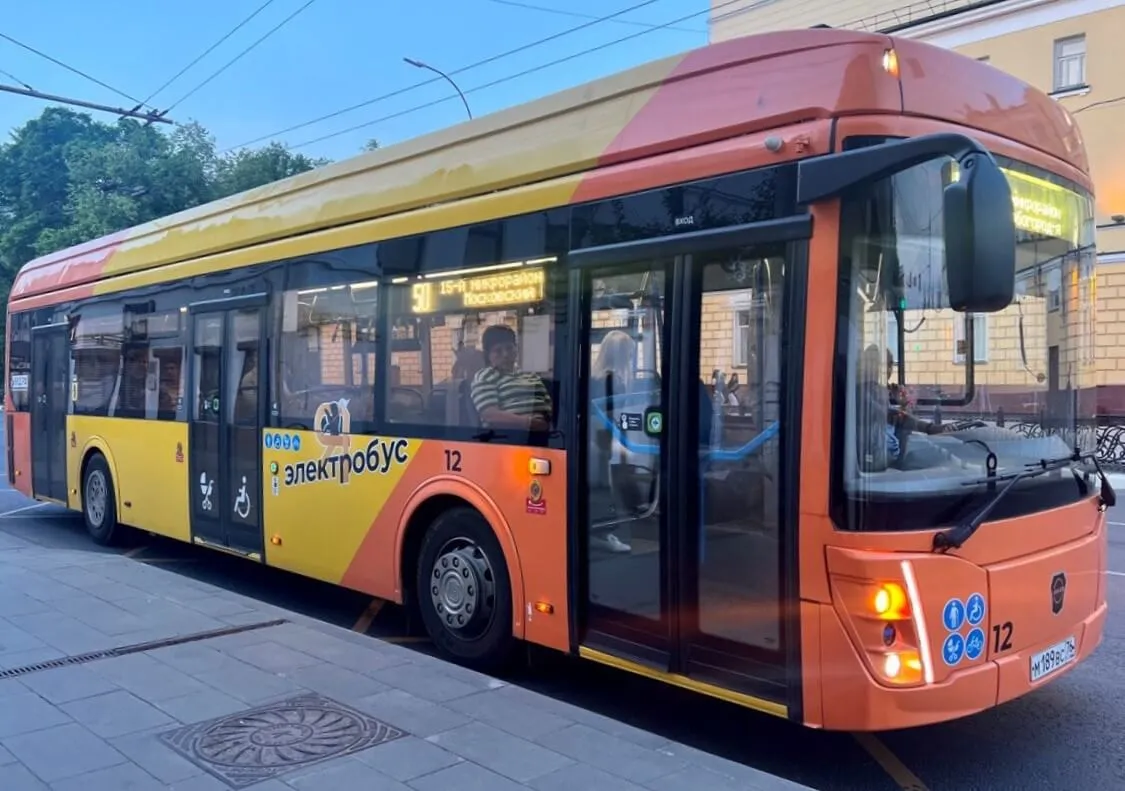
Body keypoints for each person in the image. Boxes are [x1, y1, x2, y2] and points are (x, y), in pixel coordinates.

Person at [588, 330, 640, 554]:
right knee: (602, 486)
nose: (630, 358)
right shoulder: (612, 380)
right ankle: (602, 533)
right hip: (600, 435)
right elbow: (609, 415)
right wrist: (619, 444)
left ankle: (596, 531)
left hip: (592, 435)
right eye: (628, 353)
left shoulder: (595, 376)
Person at [470, 324, 552, 431]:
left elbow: (549, 408)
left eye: (509, 348)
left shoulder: (531, 375)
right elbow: (490, 415)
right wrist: (529, 423)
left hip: (544, 436)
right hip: (507, 437)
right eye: (498, 350)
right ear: (488, 355)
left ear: (516, 349)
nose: (505, 354)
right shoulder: (485, 376)